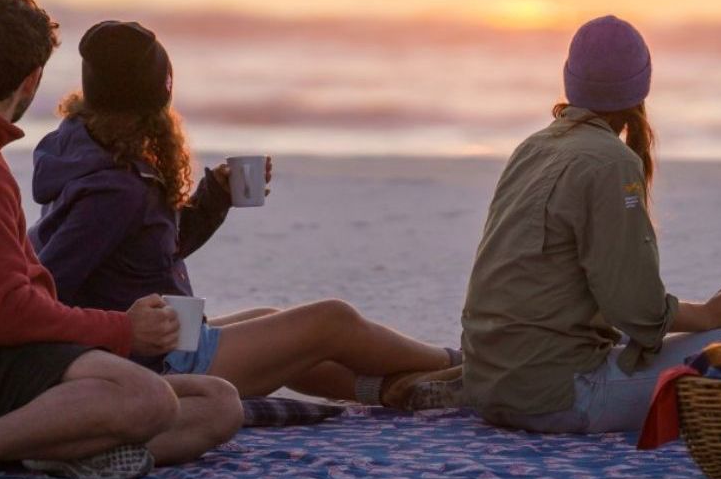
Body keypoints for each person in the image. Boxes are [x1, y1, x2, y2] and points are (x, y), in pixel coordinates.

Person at [0, 0, 242, 479]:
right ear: (31, 80)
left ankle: (57, 452)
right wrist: (123, 331)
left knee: (220, 404)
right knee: (148, 401)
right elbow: (3, 316)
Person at [29, 20, 460, 408]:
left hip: (162, 341)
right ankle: (463, 364)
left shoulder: (86, 150)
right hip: (153, 363)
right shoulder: (115, 189)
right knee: (332, 320)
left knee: (271, 321)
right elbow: (47, 288)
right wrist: (124, 330)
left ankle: (393, 390)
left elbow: (152, 250)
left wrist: (214, 196)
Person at [459, 15, 721, 433]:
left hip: (488, 388)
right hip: (558, 398)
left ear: (570, 80)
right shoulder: (612, 163)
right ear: (641, 87)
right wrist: (714, 315)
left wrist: (706, 313)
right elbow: (638, 314)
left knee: (715, 336)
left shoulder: (532, 147)